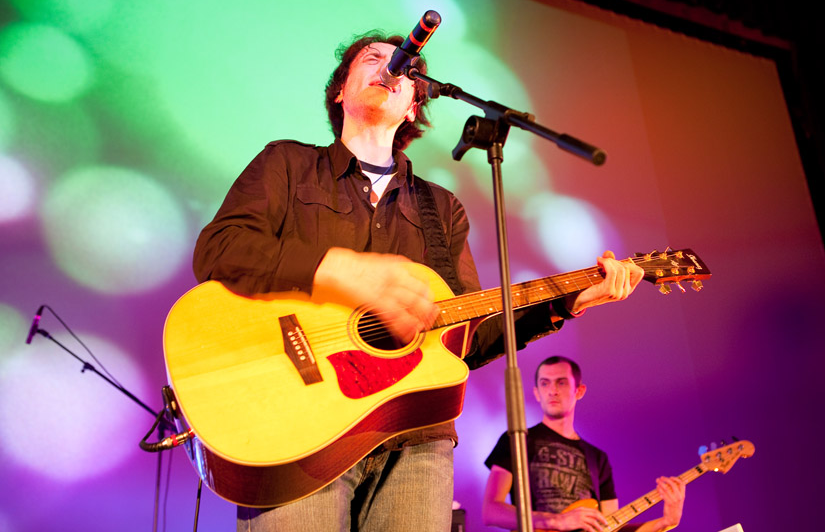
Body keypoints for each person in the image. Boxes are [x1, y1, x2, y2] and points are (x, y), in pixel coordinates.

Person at [193, 30, 646, 531]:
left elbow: (471, 337)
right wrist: (336, 270)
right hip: (299, 425)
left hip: (417, 440)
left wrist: (567, 303)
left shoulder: (441, 208)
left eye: (404, 68)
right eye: (372, 59)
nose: (389, 68)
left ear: (413, 105)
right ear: (340, 90)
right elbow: (220, 250)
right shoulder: (287, 164)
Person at [483, 356, 686, 532]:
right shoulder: (516, 439)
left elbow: (610, 527)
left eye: (561, 382)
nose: (552, 390)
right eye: (545, 383)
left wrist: (666, 522)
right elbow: (491, 511)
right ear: (536, 393)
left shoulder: (597, 458)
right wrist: (558, 521)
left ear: (579, 391)